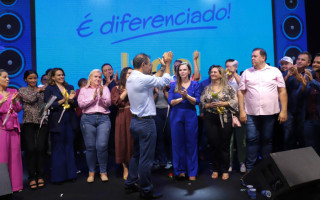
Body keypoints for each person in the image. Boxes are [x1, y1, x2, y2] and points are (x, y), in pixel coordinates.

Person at [124, 52, 173, 199]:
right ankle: (146, 190)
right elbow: (165, 81)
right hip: (146, 123)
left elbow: (152, 79)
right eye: (150, 64)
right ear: (143, 65)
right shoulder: (141, 79)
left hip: (135, 122)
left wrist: (161, 68)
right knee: (146, 159)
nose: (151, 66)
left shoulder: (132, 76)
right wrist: (168, 64)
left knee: (137, 155)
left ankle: (131, 182)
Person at [238, 48, 288, 172]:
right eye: (251, 56)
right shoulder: (247, 73)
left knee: (267, 139)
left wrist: (284, 111)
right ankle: (250, 169)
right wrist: (242, 111)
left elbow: (282, 91)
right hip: (251, 112)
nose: (252, 58)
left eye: (255, 56)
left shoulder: (274, 71)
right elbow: (240, 92)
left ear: (263, 58)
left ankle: (266, 168)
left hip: (270, 112)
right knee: (251, 139)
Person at [200, 65, 238, 180]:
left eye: (215, 72)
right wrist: (207, 105)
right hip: (210, 118)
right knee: (213, 145)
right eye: (211, 72)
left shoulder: (228, 88)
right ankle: (215, 169)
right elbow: (201, 102)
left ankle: (225, 170)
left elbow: (235, 101)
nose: (213, 74)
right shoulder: (207, 88)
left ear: (221, 74)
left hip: (225, 118)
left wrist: (224, 104)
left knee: (224, 145)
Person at [44, 68, 78, 183]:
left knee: (69, 147)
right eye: (58, 75)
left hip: (69, 119)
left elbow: (76, 103)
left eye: (62, 75)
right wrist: (63, 100)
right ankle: (59, 176)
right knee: (58, 148)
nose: (61, 77)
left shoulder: (70, 87)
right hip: (57, 121)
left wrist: (72, 100)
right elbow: (48, 105)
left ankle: (71, 174)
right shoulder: (49, 89)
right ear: (53, 77)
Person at [78, 69, 111, 183]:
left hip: (103, 118)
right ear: (90, 78)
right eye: (95, 77)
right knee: (90, 147)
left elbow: (108, 104)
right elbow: (81, 105)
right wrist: (93, 98)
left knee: (102, 146)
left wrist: (101, 95)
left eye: (99, 77)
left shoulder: (105, 88)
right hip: (88, 119)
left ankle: (103, 171)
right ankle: (91, 172)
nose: (98, 79)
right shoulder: (83, 90)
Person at [168, 62, 200, 181]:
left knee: (191, 144)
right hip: (176, 116)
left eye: (184, 69)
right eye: (180, 70)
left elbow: (197, 101)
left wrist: (187, 97)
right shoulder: (173, 85)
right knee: (177, 144)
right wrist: (182, 98)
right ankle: (180, 170)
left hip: (190, 116)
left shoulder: (195, 84)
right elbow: (170, 102)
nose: (182, 72)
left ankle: (192, 171)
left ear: (189, 71)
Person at [19, 70, 49, 189]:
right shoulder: (22, 90)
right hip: (28, 122)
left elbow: (45, 104)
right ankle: (32, 176)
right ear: (25, 79)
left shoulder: (43, 90)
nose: (33, 80)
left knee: (41, 148)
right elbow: (30, 99)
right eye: (30, 78)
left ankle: (41, 175)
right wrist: (38, 91)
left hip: (42, 122)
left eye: (35, 78)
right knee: (30, 149)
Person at [282, 52, 312, 150]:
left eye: (302, 60)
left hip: (303, 110)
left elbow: (304, 92)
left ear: (308, 63)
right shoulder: (288, 71)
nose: (299, 61)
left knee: (302, 137)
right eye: (298, 59)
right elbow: (280, 88)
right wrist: (288, 76)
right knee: (288, 137)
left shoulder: (309, 73)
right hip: (289, 109)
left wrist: (300, 78)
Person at [0, 69, 23, 192]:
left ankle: (16, 185)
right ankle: (3, 187)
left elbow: (18, 108)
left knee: (15, 156)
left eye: (8, 77)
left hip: (13, 127)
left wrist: (14, 102)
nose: (8, 79)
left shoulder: (13, 91)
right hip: (2, 127)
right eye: (4, 77)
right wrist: (0, 103)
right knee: (2, 157)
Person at [111, 67, 133, 180]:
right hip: (122, 115)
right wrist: (127, 90)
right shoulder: (116, 88)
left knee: (133, 142)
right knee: (122, 142)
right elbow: (116, 102)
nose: (131, 74)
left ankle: (135, 168)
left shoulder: (136, 86)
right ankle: (125, 168)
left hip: (134, 115)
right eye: (129, 73)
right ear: (124, 75)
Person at [225, 59, 246, 173]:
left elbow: (243, 86)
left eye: (231, 66)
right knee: (229, 140)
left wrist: (234, 73)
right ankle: (229, 162)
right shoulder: (223, 79)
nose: (229, 68)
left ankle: (242, 162)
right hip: (227, 112)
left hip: (240, 111)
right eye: (227, 66)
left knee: (241, 140)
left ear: (236, 67)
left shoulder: (240, 77)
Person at [300, 53, 320, 155]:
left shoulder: (311, 79)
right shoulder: (308, 76)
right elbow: (301, 95)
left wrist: (311, 81)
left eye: (318, 63)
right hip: (309, 120)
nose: (314, 64)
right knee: (310, 149)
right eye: (314, 62)